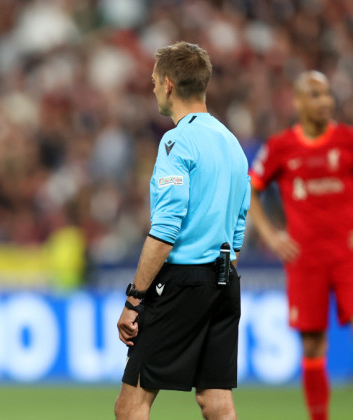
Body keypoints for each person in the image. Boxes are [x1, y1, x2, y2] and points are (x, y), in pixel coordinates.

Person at [115, 41, 250, 420]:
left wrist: (134, 299)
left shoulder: (178, 141)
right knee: (217, 402)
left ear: (169, 84)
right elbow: (238, 227)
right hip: (224, 282)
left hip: (181, 283)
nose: (153, 87)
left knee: (131, 406)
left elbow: (164, 231)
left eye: (155, 81)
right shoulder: (233, 145)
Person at [248, 70, 353, 420]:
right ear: (297, 102)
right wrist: (271, 234)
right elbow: (251, 188)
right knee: (311, 344)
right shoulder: (281, 147)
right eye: (314, 94)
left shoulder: (347, 140)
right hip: (305, 259)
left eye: (326, 94)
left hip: (347, 255)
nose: (324, 101)